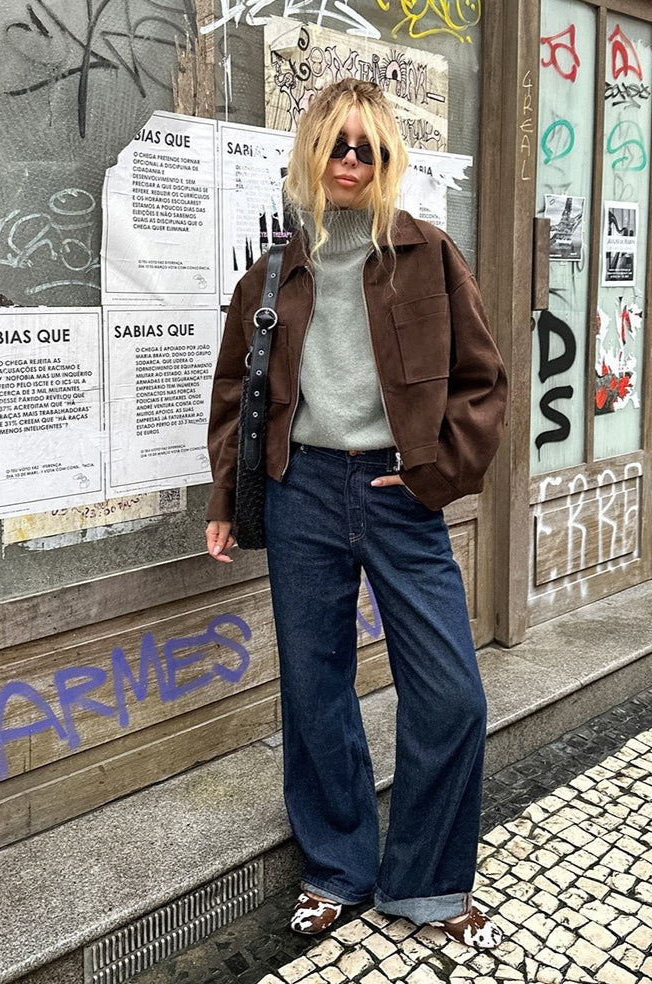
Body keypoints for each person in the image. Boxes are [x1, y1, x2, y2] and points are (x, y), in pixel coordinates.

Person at [206, 78, 508, 949]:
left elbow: (482, 382)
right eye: (337, 145)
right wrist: (229, 496)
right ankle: (339, 867)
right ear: (311, 152)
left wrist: (432, 478)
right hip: (301, 491)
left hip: (394, 495)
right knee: (315, 689)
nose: (350, 162)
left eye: (367, 149)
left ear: (387, 161)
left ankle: (426, 882)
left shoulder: (428, 254)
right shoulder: (272, 272)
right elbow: (237, 393)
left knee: (449, 695)